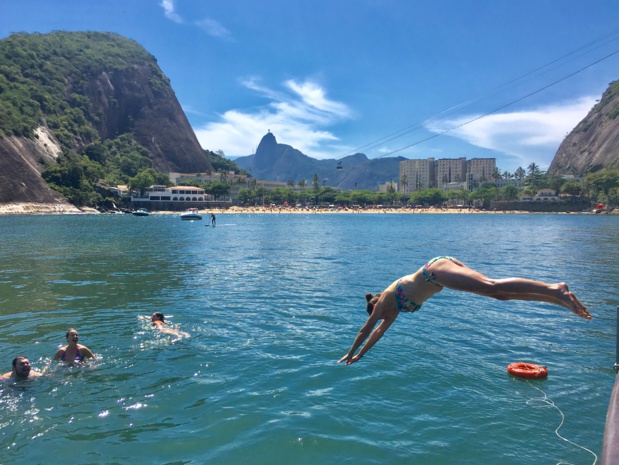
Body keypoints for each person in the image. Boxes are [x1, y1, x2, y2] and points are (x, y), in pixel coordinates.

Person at [339, 256, 591, 366]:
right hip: (439, 274)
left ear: (375, 305)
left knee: (491, 287)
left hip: (434, 271)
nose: (380, 317)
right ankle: (560, 300)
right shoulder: (393, 311)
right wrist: (360, 356)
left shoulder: (385, 300)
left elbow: (366, 329)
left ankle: (555, 288)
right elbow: (377, 334)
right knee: (500, 296)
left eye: (376, 313)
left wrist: (349, 352)